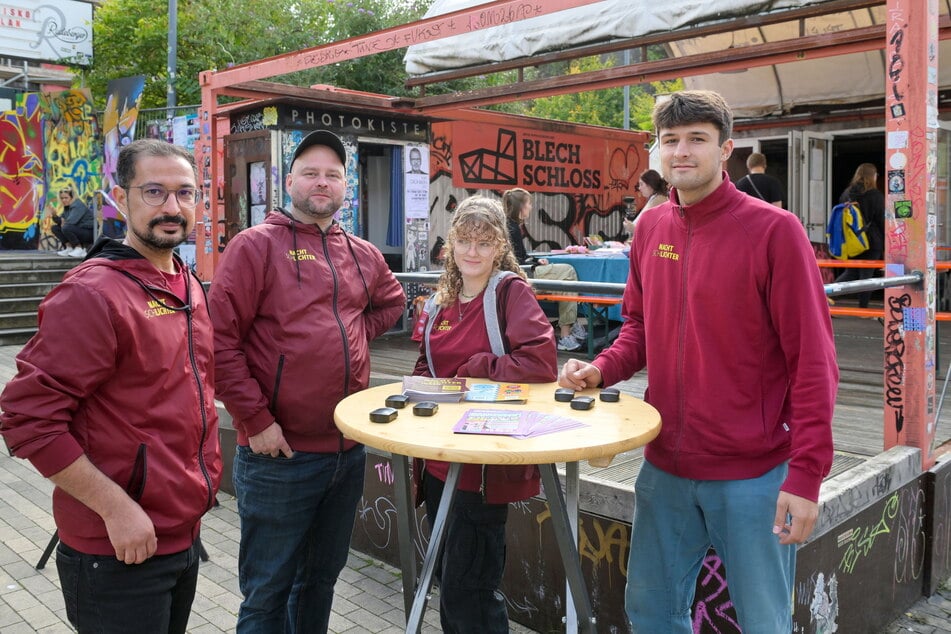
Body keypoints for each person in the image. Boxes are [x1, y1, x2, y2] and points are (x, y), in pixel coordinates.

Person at [558, 90, 837, 632]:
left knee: (764, 622)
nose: (681, 152)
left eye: (696, 140)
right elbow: (637, 328)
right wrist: (602, 368)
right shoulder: (650, 228)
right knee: (652, 613)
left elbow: (814, 362)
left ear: (726, 148)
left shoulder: (775, 232)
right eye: (670, 141)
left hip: (753, 474)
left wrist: (805, 477)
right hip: (664, 467)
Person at [0, 139, 222, 634]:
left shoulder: (186, 284)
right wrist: (116, 509)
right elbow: (26, 420)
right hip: (116, 547)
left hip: (182, 535)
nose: (172, 207)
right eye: (154, 192)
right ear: (121, 199)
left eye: (185, 193)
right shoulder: (91, 294)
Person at [209, 129, 406, 633]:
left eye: (333, 175)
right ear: (289, 180)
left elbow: (391, 303)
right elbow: (218, 342)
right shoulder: (255, 246)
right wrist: (256, 421)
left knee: (319, 584)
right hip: (280, 455)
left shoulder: (360, 252)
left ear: (346, 187)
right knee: (267, 594)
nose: (323, 183)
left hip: (346, 452)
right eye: (312, 173)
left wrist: (355, 331)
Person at [412, 196, 557, 632]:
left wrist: (478, 368)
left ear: (500, 247)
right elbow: (426, 366)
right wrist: (417, 388)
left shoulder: (510, 291)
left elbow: (541, 364)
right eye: (464, 240)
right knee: (448, 577)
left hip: (482, 464)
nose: (472, 251)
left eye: (484, 241)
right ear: (451, 244)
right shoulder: (442, 300)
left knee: (469, 585)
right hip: (439, 458)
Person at [502, 187, 586, 351]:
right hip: (522, 275)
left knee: (565, 285)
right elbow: (515, 261)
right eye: (529, 204)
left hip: (522, 271)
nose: (531, 207)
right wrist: (534, 264)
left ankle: (566, 333)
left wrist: (535, 260)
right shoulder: (512, 228)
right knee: (568, 272)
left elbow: (519, 255)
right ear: (521, 206)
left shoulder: (510, 225)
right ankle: (567, 331)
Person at [832, 162, 885, 309]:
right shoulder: (875, 195)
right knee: (866, 275)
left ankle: (825, 294)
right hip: (872, 241)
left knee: (852, 272)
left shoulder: (847, 194)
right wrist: (887, 242)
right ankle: (863, 308)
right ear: (873, 176)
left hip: (853, 239)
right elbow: (881, 220)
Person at [52, 187, 95, 257]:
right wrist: (54, 216)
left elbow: (71, 221)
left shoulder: (78, 205)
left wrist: (63, 221)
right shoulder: (67, 207)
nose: (63, 200)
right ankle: (69, 248)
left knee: (66, 227)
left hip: (89, 232)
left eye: (66, 198)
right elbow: (61, 221)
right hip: (78, 229)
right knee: (55, 228)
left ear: (72, 197)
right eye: (62, 198)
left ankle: (79, 249)